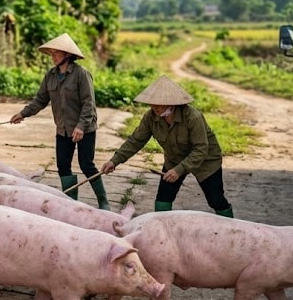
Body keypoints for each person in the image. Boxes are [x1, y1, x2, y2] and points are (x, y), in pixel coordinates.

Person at [100, 75, 234, 218]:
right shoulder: (151, 117)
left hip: (206, 161)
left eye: (159, 103)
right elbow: (136, 140)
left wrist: (179, 170)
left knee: (216, 200)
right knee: (163, 200)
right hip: (174, 160)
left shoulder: (193, 117)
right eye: (152, 103)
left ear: (172, 103)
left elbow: (201, 149)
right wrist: (115, 160)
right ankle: (162, 232)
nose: (154, 107)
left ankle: (232, 230)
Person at [9, 33, 109, 208]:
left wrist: (80, 126)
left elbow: (89, 104)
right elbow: (40, 100)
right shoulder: (50, 76)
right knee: (63, 166)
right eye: (51, 53)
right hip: (62, 129)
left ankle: (103, 201)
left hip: (84, 128)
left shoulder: (82, 75)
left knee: (86, 165)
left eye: (56, 53)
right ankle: (71, 204)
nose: (52, 57)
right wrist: (23, 113)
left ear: (67, 55)